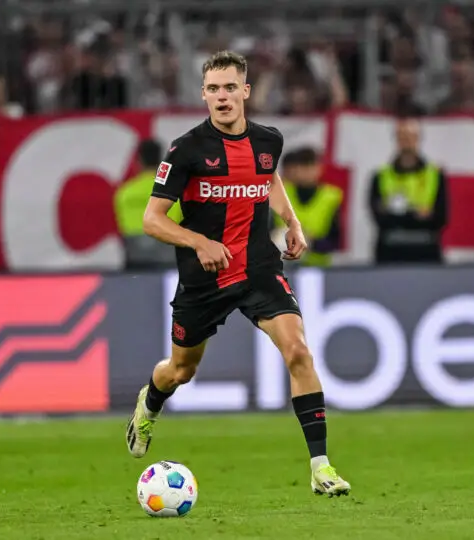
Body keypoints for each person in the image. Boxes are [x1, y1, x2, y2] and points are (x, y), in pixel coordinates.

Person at [125, 50, 350, 497]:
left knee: (299, 352)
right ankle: (150, 403)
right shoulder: (186, 149)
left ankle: (321, 467)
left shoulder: (268, 140)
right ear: (203, 95)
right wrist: (199, 242)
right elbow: (152, 219)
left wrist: (292, 220)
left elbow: (268, 178)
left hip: (257, 267)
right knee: (181, 370)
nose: (222, 97)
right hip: (203, 277)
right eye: (213, 89)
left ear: (245, 91)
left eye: (230, 88)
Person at [368, 117, 448, 264]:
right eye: (402, 137)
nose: (406, 142)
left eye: (411, 137)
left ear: (418, 139)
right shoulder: (380, 176)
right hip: (389, 253)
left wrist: (396, 215)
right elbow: (379, 218)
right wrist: (417, 215)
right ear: (396, 140)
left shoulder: (435, 175)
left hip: (426, 253)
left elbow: (441, 217)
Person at [115, 139, 183, 270]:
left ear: (139, 161)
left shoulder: (124, 193)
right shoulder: (175, 191)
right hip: (170, 262)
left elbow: (123, 227)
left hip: (136, 262)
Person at [273, 148, 343, 266]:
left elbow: (335, 241)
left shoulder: (331, 197)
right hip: (282, 266)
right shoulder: (279, 194)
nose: (306, 172)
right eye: (303, 166)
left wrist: (310, 242)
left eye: (311, 166)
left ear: (319, 168)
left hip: (317, 267)